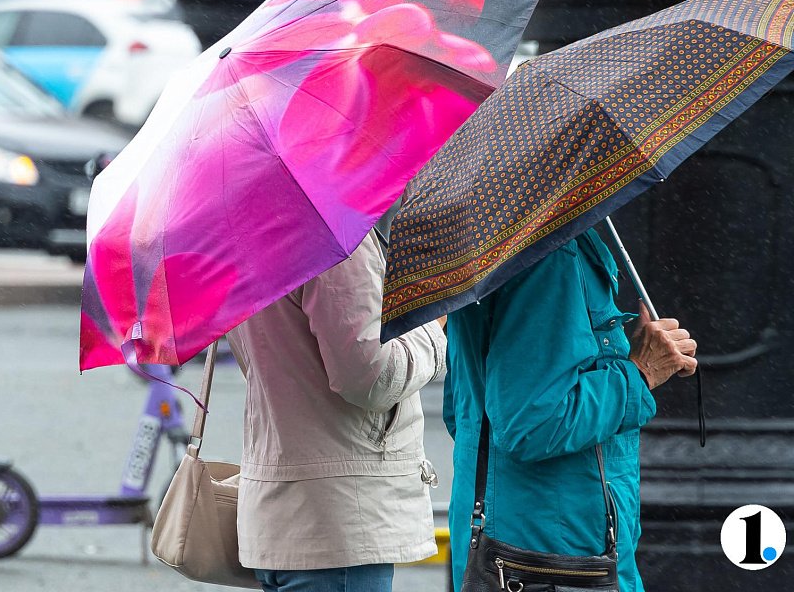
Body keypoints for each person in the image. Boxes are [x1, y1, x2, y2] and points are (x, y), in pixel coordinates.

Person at [443, 227, 698, 592]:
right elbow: (533, 425)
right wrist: (640, 371)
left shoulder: (492, 243)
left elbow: (464, 412)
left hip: (522, 542)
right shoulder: (549, 256)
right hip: (554, 556)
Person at [226, 227, 447, 592]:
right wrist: (434, 326)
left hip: (283, 514)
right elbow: (372, 377)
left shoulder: (245, 230)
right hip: (339, 525)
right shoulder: (332, 233)